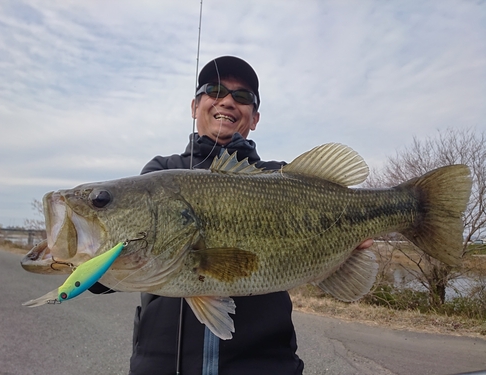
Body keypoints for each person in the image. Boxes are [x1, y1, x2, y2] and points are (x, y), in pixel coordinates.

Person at [128, 56, 373, 375]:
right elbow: (115, 261)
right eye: (214, 90)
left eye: (242, 97)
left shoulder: (281, 178)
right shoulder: (161, 175)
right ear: (194, 106)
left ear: (254, 117)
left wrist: (346, 248)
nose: (228, 100)